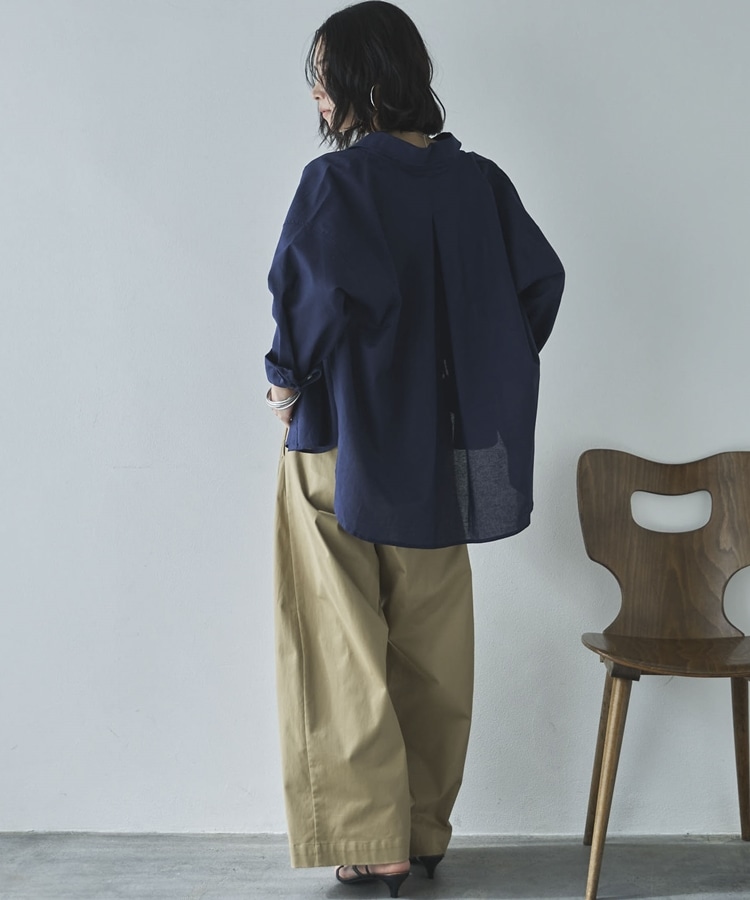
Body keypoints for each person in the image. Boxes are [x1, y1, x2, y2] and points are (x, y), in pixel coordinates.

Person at [264, 2, 564, 896]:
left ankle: (374, 837)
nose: (316, 93)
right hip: (445, 457)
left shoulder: (338, 183)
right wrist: (475, 372)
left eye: (324, 74)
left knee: (337, 641)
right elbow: (538, 286)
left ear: (365, 79)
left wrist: (284, 385)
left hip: (343, 444)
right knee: (434, 642)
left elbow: (308, 300)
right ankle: (424, 829)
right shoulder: (481, 183)